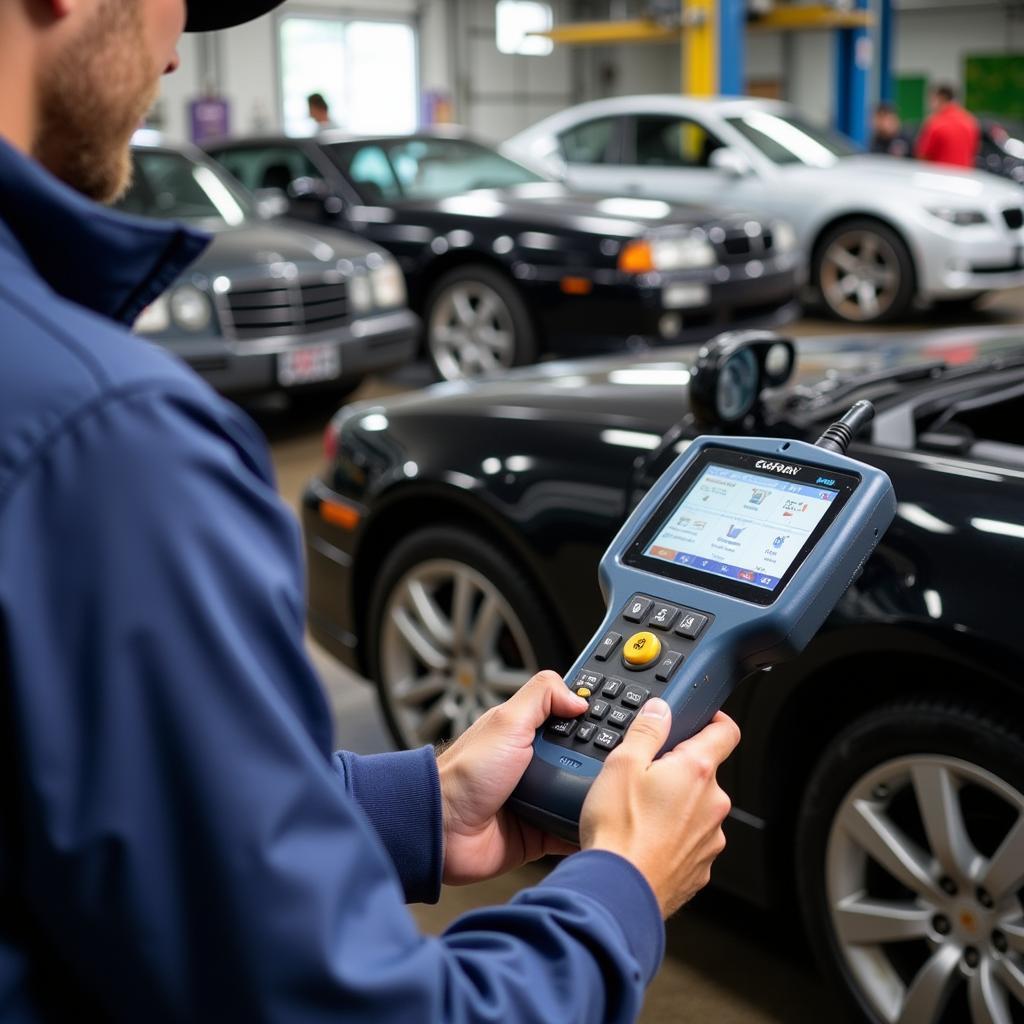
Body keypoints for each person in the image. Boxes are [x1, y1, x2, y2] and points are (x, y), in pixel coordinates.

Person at [0, 1, 740, 1021]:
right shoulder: (107, 438)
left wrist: (414, 808)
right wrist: (619, 893)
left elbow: (70, 812)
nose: (175, 53)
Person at [915, 83, 981, 169]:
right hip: (965, 177)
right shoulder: (970, 121)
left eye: (932, 100)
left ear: (940, 98)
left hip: (941, 178)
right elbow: (975, 150)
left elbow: (923, 155)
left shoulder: (935, 123)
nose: (930, 105)